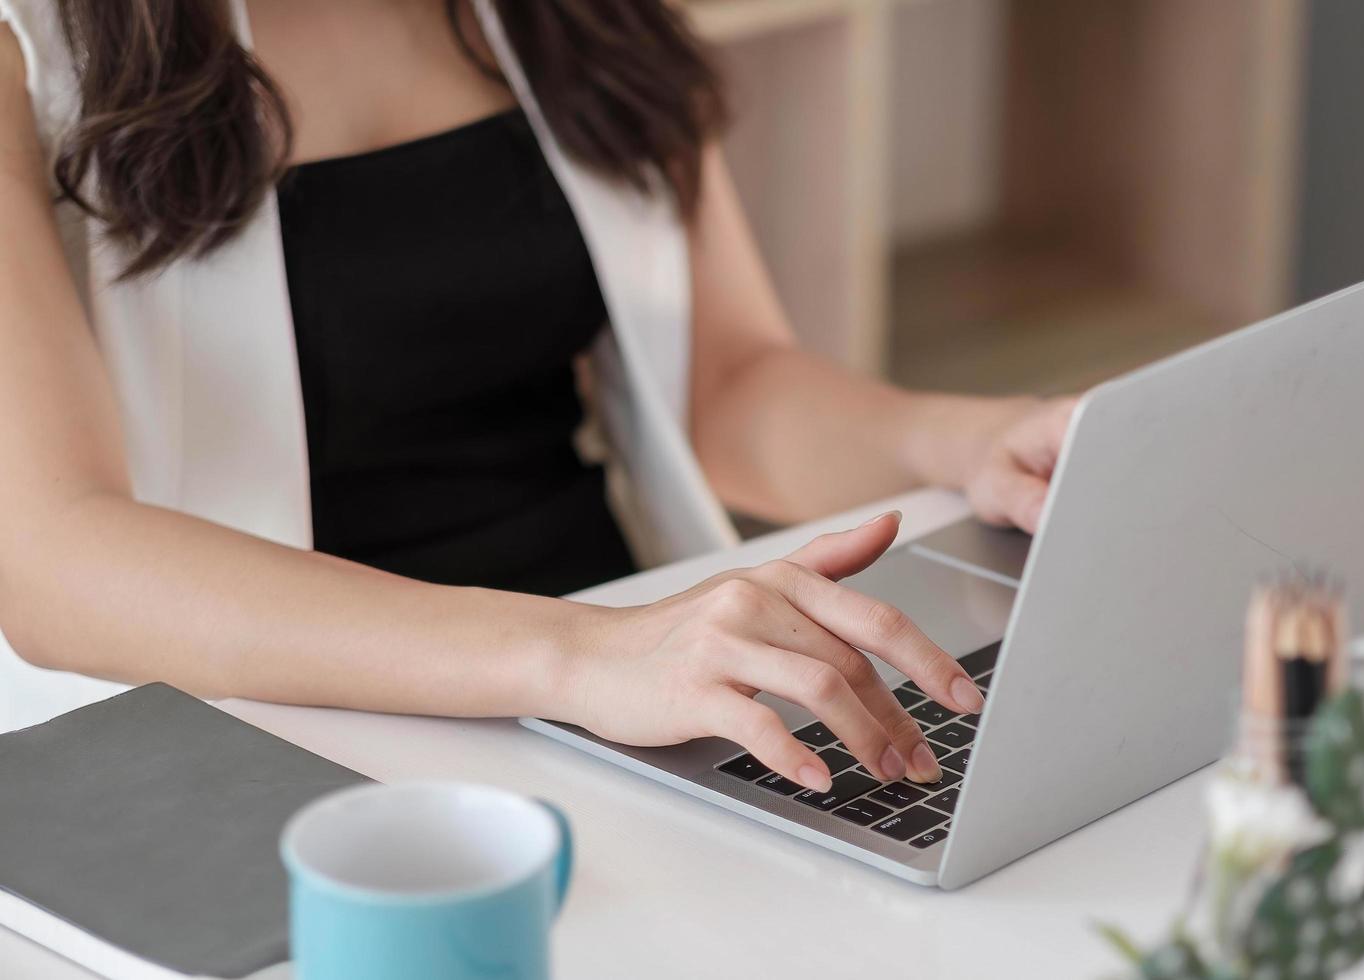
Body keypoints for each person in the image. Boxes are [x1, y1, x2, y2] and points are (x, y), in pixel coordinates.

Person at [0, 0, 1075, 794]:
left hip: (636, 688)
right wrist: (574, 653)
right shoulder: (28, 45)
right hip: (299, 731)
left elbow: (727, 383)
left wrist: (966, 439)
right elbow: (53, 559)